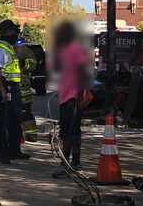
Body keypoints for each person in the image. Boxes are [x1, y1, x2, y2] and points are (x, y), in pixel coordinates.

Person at [52, 21, 90, 178]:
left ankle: (68, 163)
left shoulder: (76, 49)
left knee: (70, 132)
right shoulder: (63, 50)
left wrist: (80, 97)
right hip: (65, 97)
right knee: (69, 131)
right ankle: (73, 161)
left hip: (73, 98)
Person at [0, 19, 29, 163]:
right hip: (4, 87)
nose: (16, 34)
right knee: (2, 121)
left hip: (12, 87)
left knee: (14, 120)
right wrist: (2, 91)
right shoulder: (0, 48)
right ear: (6, 32)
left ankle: (14, 150)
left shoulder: (9, 47)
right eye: (13, 31)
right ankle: (3, 153)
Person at [15, 38, 38, 138]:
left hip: (23, 87)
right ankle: (20, 135)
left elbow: (32, 64)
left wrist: (23, 65)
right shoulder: (8, 49)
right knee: (19, 114)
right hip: (15, 88)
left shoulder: (25, 51)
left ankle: (30, 135)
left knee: (26, 113)